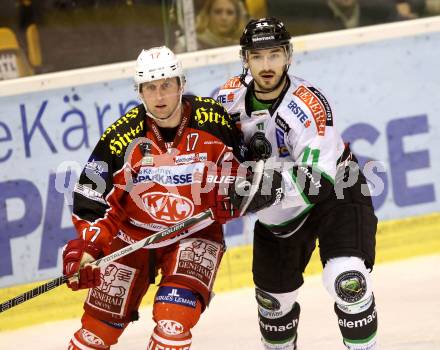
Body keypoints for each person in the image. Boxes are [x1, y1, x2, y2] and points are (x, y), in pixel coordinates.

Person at [62, 45, 277, 350]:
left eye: (166, 85)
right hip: (131, 240)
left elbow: (244, 175)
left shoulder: (213, 121)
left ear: (181, 84)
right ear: (140, 92)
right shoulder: (122, 138)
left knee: (172, 324)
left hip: (195, 234)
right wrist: (87, 249)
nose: (159, 96)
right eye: (150, 88)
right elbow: (92, 198)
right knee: (96, 333)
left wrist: (235, 195)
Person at [217, 18, 378, 350]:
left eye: (274, 55)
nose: (266, 65)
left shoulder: (308, 105)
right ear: (245, 58)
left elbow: (319, 180)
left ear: (288, 56)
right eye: (258, 56)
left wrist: (267, 186)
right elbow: (213, 154)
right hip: (279, 215)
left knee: (348, 281)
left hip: (337, 194)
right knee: (274, 309)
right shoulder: (227, 99)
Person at [173, 0, 248, 52]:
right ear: (208, 15)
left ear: (236, 19)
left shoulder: (245, 44)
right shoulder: (188, 45)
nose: (224, 18)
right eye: (218, 12)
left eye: (229, 13)